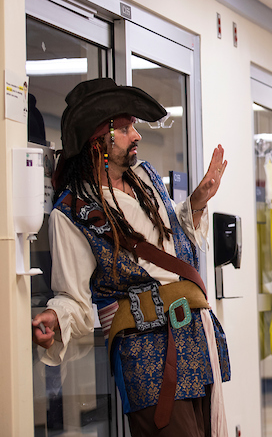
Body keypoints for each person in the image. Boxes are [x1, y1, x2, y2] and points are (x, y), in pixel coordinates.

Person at [31, 78, 230, 437]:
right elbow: (73, 296)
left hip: (193, 339)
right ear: (98, 142)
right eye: (123, 128)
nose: (136, 135)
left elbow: (171, 248)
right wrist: (54, 316)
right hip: (145, 352)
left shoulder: (146, 177)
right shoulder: (72, 211)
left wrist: (196, 203)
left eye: (133, 126)